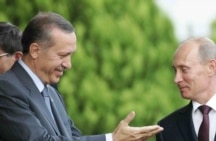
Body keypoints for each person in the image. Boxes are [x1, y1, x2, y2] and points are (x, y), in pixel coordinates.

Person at [0, 12, 163, 141]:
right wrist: (111, 139)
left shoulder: (51, 93)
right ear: (35, 50)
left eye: (71, 56)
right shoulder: (6, 88)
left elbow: (74, 138)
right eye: (63, 55)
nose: (68, 64)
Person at [156, 37, 216, 141]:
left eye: (184, 69)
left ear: (211, 67)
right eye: (175, 71)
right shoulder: (167, 128)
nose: (176, 79)